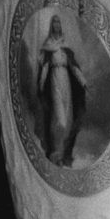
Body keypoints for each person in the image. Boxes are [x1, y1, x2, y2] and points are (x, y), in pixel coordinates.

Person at [37, 15, 87, 167]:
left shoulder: (65, 44)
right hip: (54, 79)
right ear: (51, 26)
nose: (57, 25)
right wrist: (41, 82)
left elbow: (73, 66)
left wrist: (83, 81)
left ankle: (62, 153)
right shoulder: (48, 44)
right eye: (54, 23)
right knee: (60, 120)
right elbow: (45, 66)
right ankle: (55, 152)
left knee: (68, 117)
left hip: (66, 80)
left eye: (58, 22)